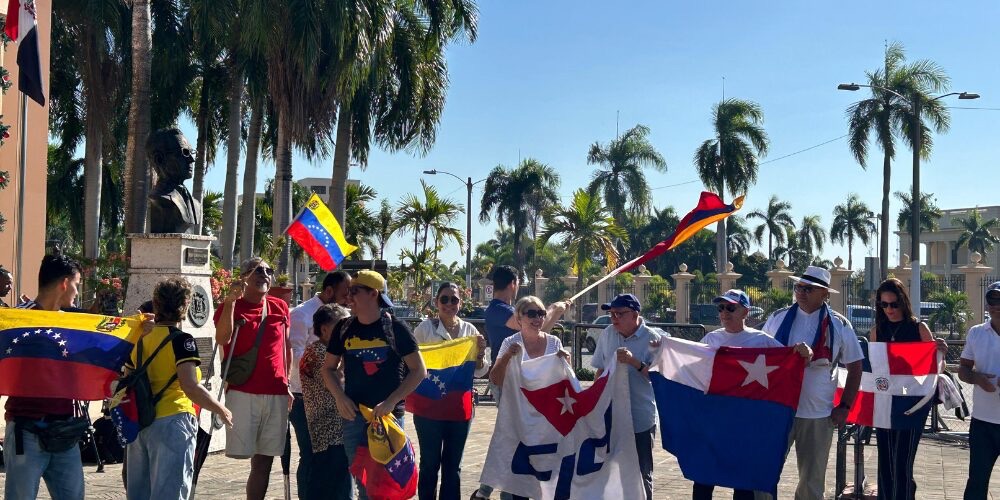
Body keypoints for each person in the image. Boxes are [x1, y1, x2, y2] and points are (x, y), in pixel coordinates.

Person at [695, 290, 812, 500]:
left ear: (745, 312)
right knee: (704, 478)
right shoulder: (710, 339)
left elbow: (789, 360)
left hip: (746, 425)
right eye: (721, 308)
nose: (724, 312)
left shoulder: (760, 340)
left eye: (731, 308)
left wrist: (806, 353)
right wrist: (663, 349)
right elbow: (690, 366)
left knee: (744, 483)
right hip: (715, 422)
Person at [759, 266, 863, 500]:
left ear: (825, 293)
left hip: (817, 413)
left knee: (812, 483)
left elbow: (856, 367)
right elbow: (759, 356)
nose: (801, 292)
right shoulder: (777, 319)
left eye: (808, 288)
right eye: (798, 287)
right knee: (763, 474)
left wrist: (845, 407)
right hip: (778, 408)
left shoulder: (839, 325)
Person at [322, 270, 426, 500]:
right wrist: (340, 397)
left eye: (354, 291)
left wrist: (390, 402)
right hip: (353, 418)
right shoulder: (343, 328)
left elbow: (419, 371)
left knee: (384, 486)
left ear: (373, 294)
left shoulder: (396, 328)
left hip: (386, 419)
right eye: (348, 292)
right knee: (364, 484)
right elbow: (327, 369)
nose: (348, 297)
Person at [125, 277, 233, 500]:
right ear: (184, 305)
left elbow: (127, 379)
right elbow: (190, 387)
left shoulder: (138, 338)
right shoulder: (182, 341)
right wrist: (220, 408)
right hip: (172, 420)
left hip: (139, 421)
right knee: (170, 493)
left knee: (139, 493)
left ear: (155, 303)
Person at [3, 254, 86, 499]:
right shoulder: (18, 320)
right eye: (77, 284)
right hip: (26, 430)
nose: (77, 293)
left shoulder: (75, 323)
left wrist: (139, 330)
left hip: (65, 431)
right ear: (64, 283)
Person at [213, 257, 291, 500]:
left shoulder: (280, 306)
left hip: (276, 392)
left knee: (265, 460)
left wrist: (287, 383)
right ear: (244, 276)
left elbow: (285, 348)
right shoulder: (232, 305)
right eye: (257, 270)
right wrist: (229, 304)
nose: (264, 274)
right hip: (242, 391)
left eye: (268, 270)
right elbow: (222, 339)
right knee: (239, 453)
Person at [868, 278, 946, 500]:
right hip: (885, 403)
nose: (890, 310)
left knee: (902, 462)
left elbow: (933, 369)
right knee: (885, 462)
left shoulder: (918, 328)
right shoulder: (877, 330)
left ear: (903, 302)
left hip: (913, 404)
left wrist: (940, 351)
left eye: (894, 304)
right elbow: (876, 369)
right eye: (884, 305)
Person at [412, 282, 490, 500]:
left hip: (459, 408)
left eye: (453, 299)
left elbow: (480, 372)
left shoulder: (470, 332)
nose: (449, 304)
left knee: (453, 467)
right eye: (444, 299)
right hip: (429, 409)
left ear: (460, 303)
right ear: (436, 302)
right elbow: (412, 364)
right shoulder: (424, 329)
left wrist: (481, 354)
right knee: (429, 464)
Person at [488, 296, 571, 500]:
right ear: (519, 317)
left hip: (547, 424)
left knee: (547, 480)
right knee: (520, 480)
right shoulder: (510, 342)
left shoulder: (554, 342)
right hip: (519, 422)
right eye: (531, 314)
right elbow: (496, 379)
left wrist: (566, 363)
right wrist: (507, 356)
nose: (537, 318)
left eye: (541, 313)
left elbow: (567, 384)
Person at [590, 294, 665, 500]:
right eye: (611, 313)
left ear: (635, 314)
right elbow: (600, 370)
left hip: (640, 417)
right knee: (607, 470)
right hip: (610, 416)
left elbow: (658, 379)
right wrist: (594, 402)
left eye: (619, 314)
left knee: (641, 473)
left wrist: (635, 362)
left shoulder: (653, 339)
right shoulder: (607, 334)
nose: (614, 318)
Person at [288, 270, 351, 498]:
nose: (348, 297)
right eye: (345, 293)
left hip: (332, 425)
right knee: (320, 472)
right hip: (321, 422)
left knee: (333, 476)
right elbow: (338, 379)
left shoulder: (324, 349)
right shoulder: (317, 349)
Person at [300, 303, 353, 500]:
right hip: (330, 431)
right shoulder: (320, 353)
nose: (347, 330)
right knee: (336, 487)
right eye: (342, 325)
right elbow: (336, 382)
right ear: (324, 329)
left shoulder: (319, 350)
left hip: (330, 430)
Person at [960, 281, 1000, 499]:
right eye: (992, 300)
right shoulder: (976, 333)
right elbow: (963, 370)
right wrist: (976, 377)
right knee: (977, 481)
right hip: (982, 422)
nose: (995, 305)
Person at [146, 128, 201, 234]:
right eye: (184, 152)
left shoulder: (195, 204)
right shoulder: (159, 198)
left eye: (191, 152)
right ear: (159, 159)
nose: (191, 159)